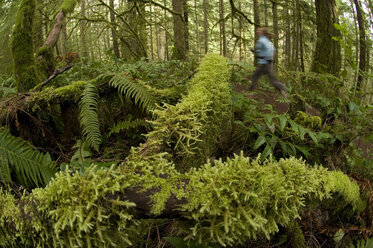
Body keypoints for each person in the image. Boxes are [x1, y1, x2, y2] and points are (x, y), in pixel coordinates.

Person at [248, 27, 288, 98]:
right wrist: (269, 58)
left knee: (255, 76)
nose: (257, 31)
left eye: (259, 31)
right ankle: (284, 90)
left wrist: (258, 54)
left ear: (263, 32)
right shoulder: (268, 41)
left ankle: (250, 93)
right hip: (269, 63)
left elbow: (261, 50)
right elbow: (273, 50)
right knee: (272, 80)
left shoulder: (261, 40)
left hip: (264, 64)